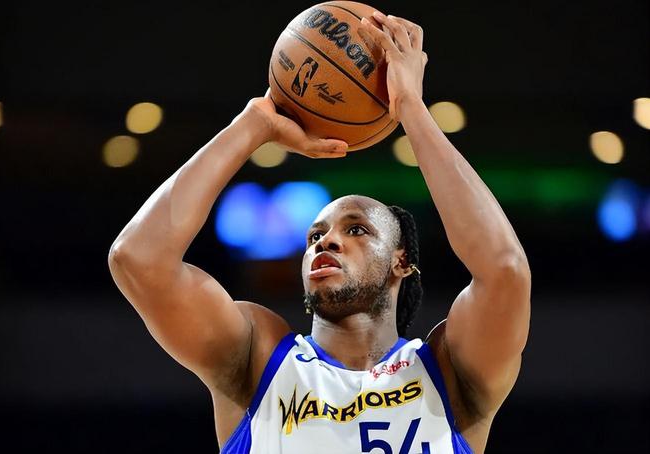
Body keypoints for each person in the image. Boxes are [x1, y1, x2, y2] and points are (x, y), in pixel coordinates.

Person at [108, 11, 530, 454]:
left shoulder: (448, 373)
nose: (326, 241)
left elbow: (504, 269)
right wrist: (254, 123)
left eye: (357, 229)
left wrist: (410, 107)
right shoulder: (258, 360)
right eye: (314, 237)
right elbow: (138, 259)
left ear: (402, 260)